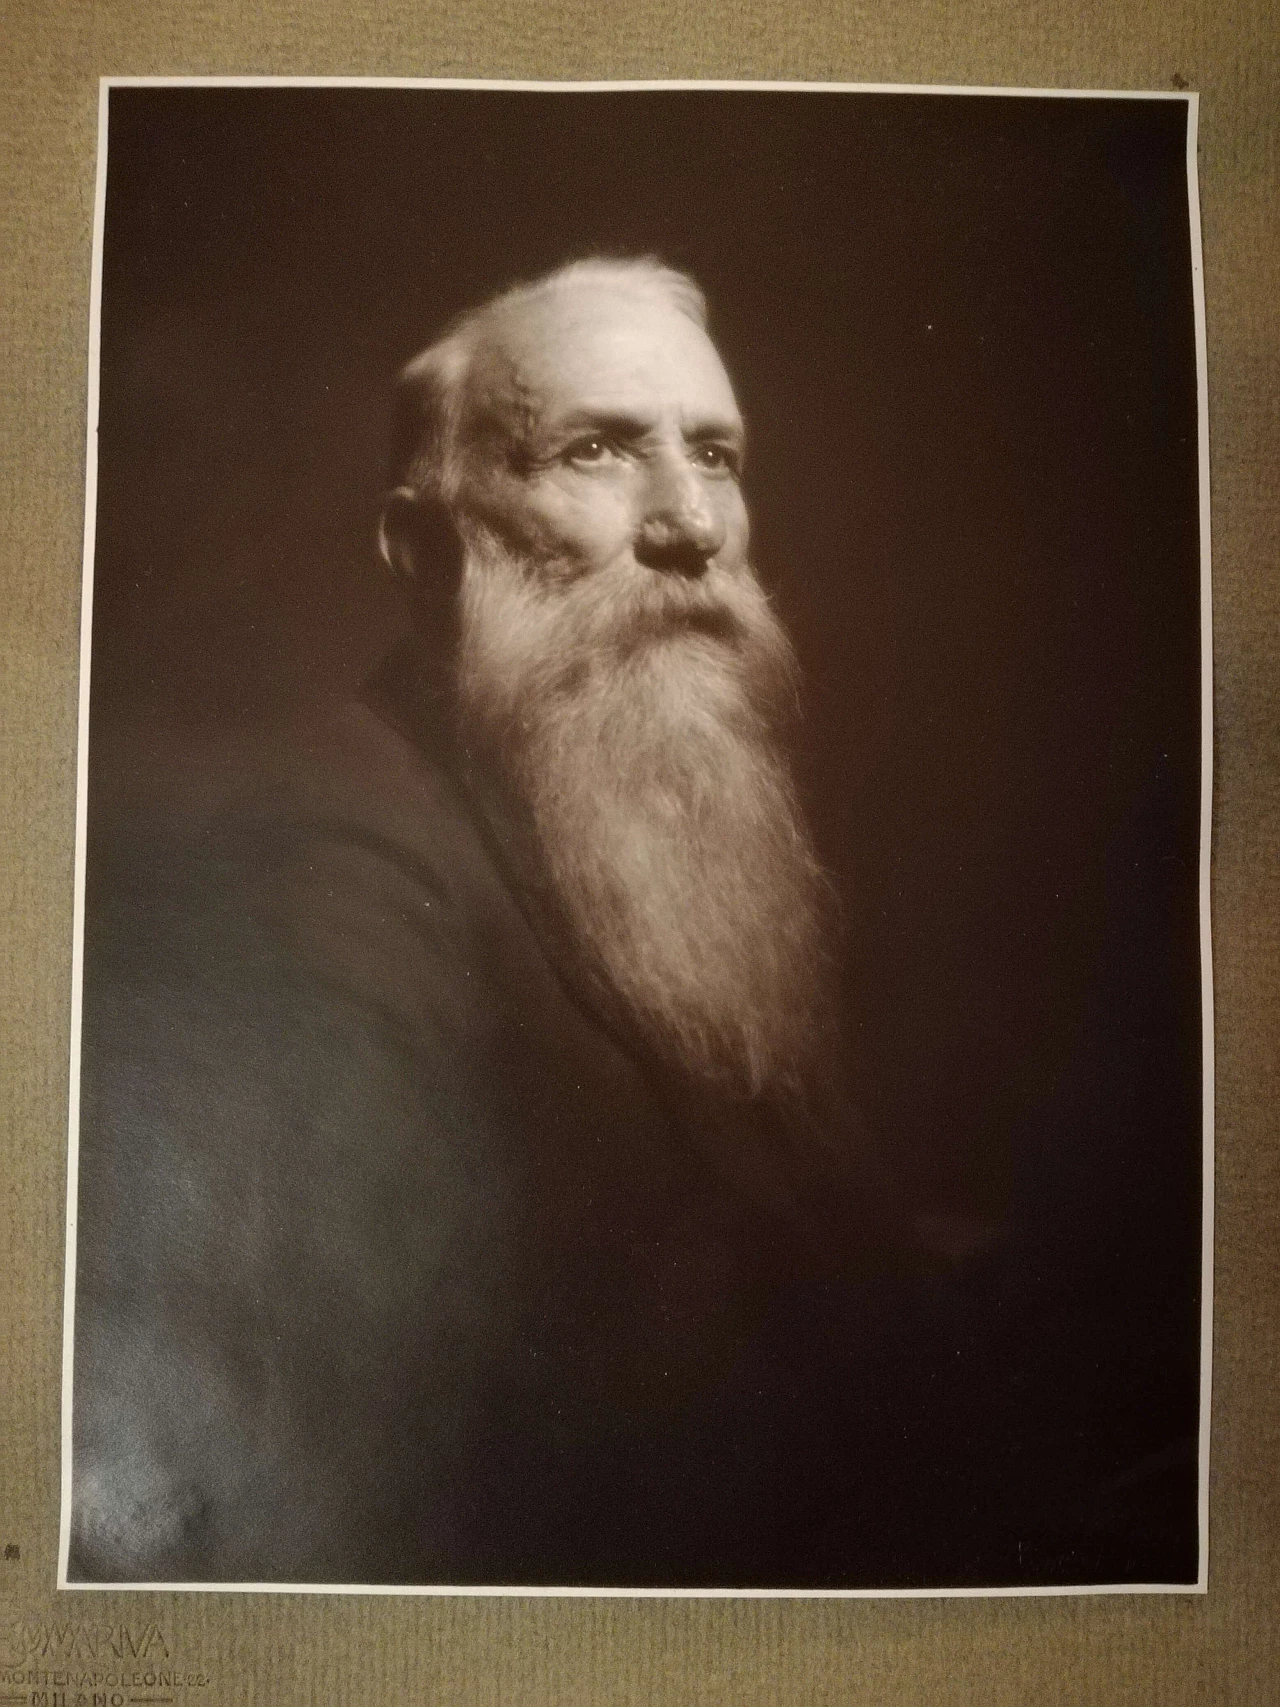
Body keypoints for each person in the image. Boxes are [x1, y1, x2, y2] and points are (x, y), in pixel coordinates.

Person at [67, 259, 972, 1588]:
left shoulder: (638, 817)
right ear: (417, 544)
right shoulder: (333, 869)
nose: (690, 523)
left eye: (715, 455)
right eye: (597, 450)